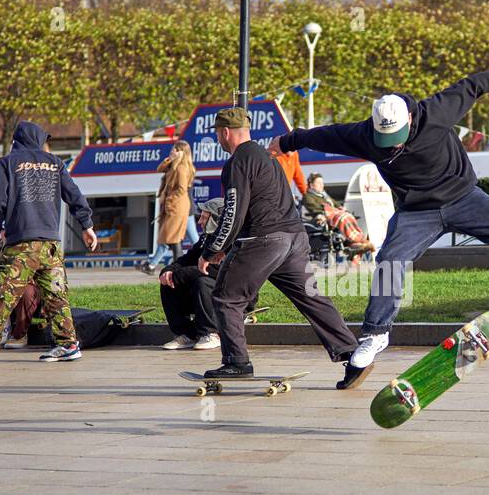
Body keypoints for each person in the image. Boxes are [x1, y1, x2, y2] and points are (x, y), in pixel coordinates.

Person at [269, 67, 489, 374]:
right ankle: (375, 334)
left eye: (396, 137)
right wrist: (286, 142)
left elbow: (473, 85)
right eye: (386, 139)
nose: (392, 144)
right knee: (390, 260)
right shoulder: (365, 136)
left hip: (463, 197)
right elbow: (326, 135)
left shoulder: (437, 112)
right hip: (417, 212)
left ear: (409, 118)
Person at [199, 107, 365, 388]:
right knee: (311, 299)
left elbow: (234, 211)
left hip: (264, 240)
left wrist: (211, 249)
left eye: (217, 133)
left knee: (227, 297)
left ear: (225, 132)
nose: (218, 138)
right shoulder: (269, 159)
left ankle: (236, 362)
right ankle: (353, 355)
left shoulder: (239, 160)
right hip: (294, 238)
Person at [0, 121, 98, 365]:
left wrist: (5, 224)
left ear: (17, 139)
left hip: (21, 243)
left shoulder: (6, 163)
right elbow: (74, 195)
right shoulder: (55, 163)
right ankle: (68, 344)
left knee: (3, 295)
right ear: (38, 139)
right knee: (57, 296)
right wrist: (87, 226)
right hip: (50, 243)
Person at [158, 198, 225, 351]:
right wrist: (168, 271)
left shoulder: (230, 241)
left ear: (216, 219)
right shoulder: (205, 238)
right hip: (206, 294)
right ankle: (186, 334)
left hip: (231, 293)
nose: (199, 221)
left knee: (202, 282)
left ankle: (211, 334)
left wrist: (179, 275)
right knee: (168, 284)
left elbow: (216, 270)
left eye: (204, 217)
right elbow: (185, 259)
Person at [143, 140, 195, 274]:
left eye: (176, 150)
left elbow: (181, 189)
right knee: (171, 237)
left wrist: (168, 198)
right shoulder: (173, 165)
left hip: (177, 206)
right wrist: (169, 159)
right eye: (173, 149)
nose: (173, 151)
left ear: (183, 153)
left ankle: (177, 266)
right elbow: (159, 169)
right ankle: (175, 265)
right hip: (174, 206)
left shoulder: (181, 168)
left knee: (172, 237)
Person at [302, 173, 374, 255]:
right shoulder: (308, 196)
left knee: (348, 216)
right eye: (318, 183)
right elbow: (314, 209)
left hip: (333, 216)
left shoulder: (324, 196)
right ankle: (360, 241)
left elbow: (336, 205)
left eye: (322, 183)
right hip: (322, 218)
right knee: (343, 218)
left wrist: (341, 209)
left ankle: (357, 243)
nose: (322, 185)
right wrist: (329, 212)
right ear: (311, 185)